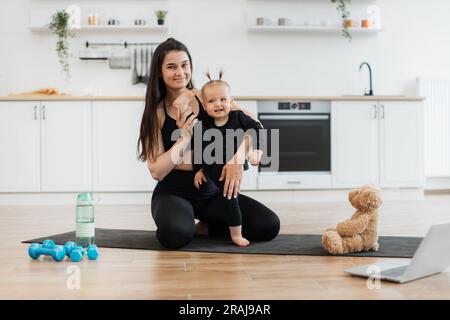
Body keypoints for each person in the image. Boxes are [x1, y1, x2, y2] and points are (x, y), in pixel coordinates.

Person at [138, 38, 280, 249]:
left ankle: (206, 227)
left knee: (268, 226)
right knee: (175, 235)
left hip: (212, 192)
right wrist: (185, 137)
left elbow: (256, 126)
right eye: (171, 66)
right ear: (159, 72)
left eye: (185, 65)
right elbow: (157, 171)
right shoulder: (156, 112)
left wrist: (237, 160)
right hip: (172, 193)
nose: (180, 72)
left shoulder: (211, 98)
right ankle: (183, 221)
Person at [193, 73, 264, 247]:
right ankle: (236, 234)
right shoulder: (203, 123)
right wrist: (199, 169)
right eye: (211, 101)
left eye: (223, 99)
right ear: (204, 105)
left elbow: (257, 128)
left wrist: (257, 151)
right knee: (230, 197)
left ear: (231, 101)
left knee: (230, 196)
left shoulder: (238, 117)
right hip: (213, 167)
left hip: (234, 165)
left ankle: (210, 225)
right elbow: (197, 146)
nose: (218, 104)